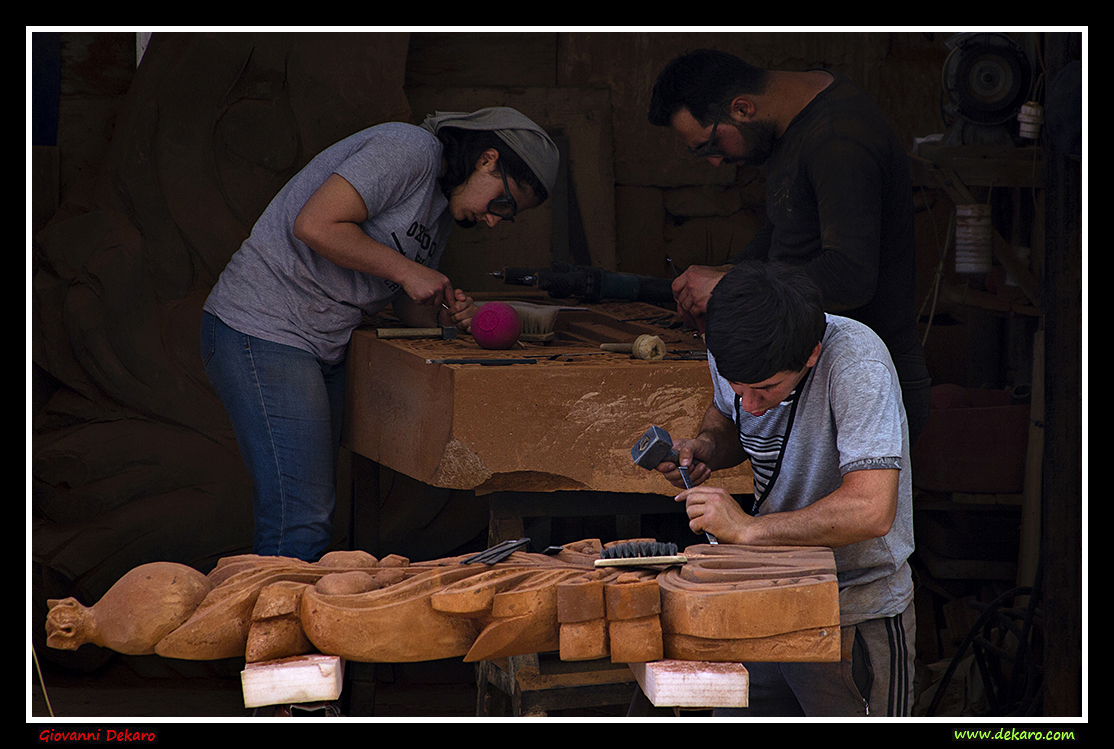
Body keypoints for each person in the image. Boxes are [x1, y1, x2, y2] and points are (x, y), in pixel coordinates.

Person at [201, 107, 559, 562]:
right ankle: (271, 626)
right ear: (487, 160)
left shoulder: (443, 207)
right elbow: (316, 224)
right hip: (262, 328)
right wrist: (409, 270)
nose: (493, 221)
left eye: (505, 217)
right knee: (301, 518)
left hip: (317, 343)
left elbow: (395, 288)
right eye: (502, 203)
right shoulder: (409, 150)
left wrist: (444, 312)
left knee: (303, 511)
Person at [656, 260, 916, 717]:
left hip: (850, 610)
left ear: (811, 355)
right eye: (739, 388)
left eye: (765, 389)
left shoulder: (857, 364)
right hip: (762, 597)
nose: (750, 406)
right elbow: (729, 417)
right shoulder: (732, 343)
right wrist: (706, 448)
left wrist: (749, 531)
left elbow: (873, 509)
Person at [648, 49, 931, 443]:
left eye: (709, 146)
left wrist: (731, 288)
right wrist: (728, 272)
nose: (714, 163)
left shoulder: (839, 140)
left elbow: (849, 276)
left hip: (862, 386)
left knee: (857, 506)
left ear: (743, 108)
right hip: (809, 372)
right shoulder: (789, 122)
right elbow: (786, 228)